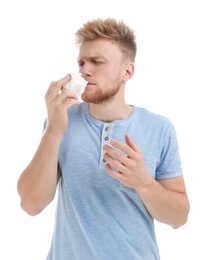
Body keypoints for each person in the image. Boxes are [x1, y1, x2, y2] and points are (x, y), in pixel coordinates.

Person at [17, 18, 190, 260]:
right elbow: (31, 204)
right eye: (82, 62)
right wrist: (54, 130)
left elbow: (179, 218)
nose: (84, 70)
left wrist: (144, 183)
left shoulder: (159, 128)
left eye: (97, 62)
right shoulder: (61, 122)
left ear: (126, 71)